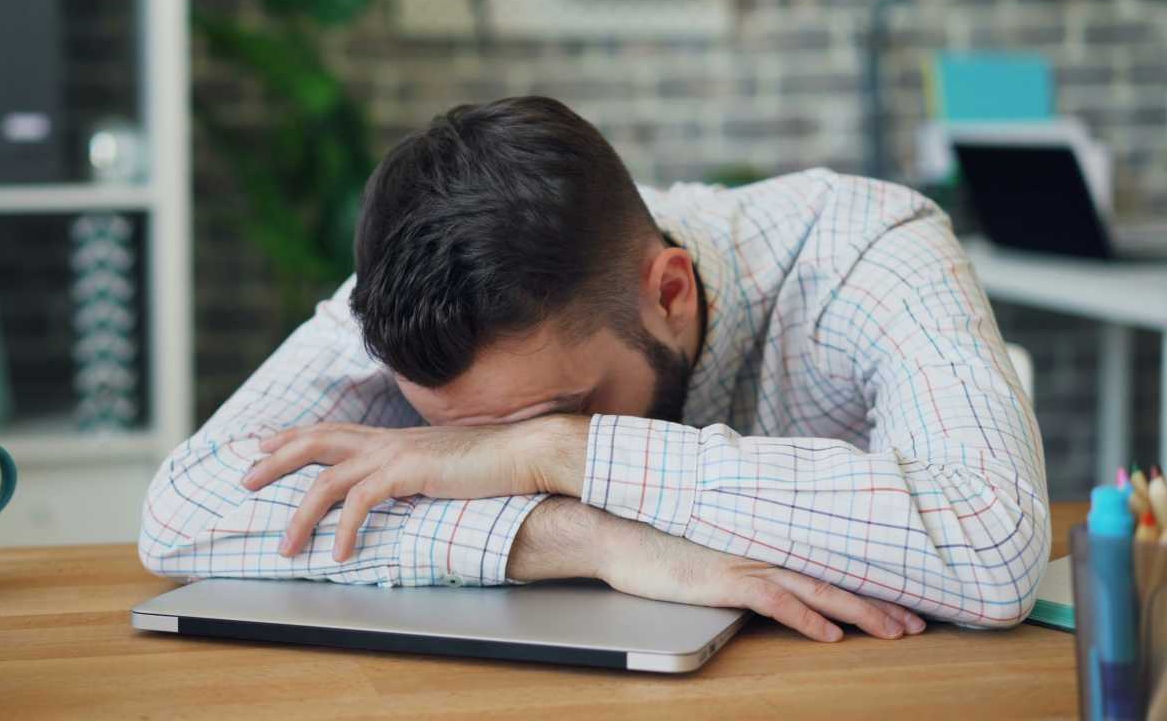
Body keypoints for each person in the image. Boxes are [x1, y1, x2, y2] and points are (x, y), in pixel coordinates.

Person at [140, 96, 1049, 643]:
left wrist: (558, 453)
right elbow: (184, 512)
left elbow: (993, 544)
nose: (482, 456)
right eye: (463, 434)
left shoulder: (868, 246)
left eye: (546, 411)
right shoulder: (413, 295)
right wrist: (584, 538)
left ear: (671, 291)